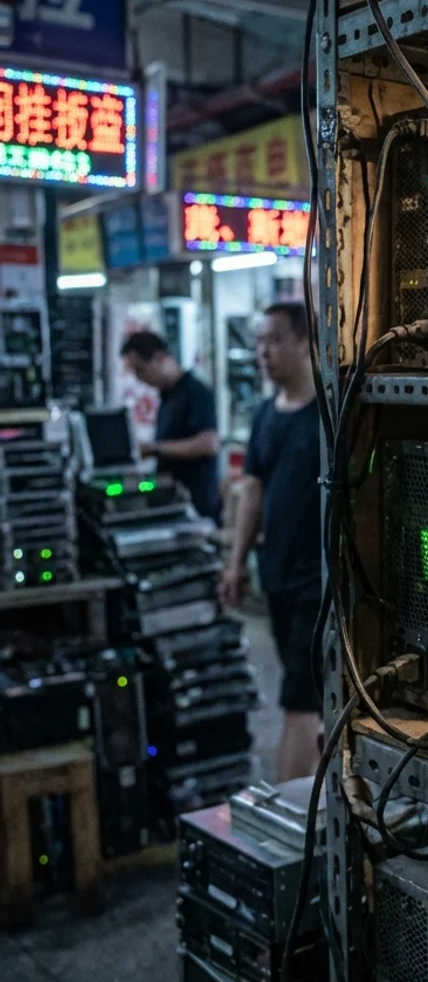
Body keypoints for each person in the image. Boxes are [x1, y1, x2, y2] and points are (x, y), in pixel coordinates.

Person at [218, 303, 323, 781]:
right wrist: (236, 564)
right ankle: (319, 799)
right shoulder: (265, 416)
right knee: (301, 692)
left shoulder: (327, 414)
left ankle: (292, 816)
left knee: (300, 701)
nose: (263, 352)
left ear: (304, 342)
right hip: (276, 576)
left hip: (318, 583)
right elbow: (252, 491)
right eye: (258, 342)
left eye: (274, 340)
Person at [120, 331, 222, 521]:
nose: (140, 379)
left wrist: (154, 449)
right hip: (172, 502)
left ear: (160, 358)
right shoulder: (167, 397)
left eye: (141, 370)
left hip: (196, 508)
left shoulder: (196, 393)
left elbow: (209, 444)